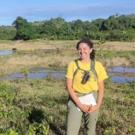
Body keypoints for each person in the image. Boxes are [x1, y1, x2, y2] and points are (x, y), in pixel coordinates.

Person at [66, 38, 108, 135]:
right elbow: (69, 86)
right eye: (79, 49)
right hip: (75, 99)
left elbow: (101, 88)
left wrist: (97, 105)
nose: (82, 51)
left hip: (92, 99)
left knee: (90, 130)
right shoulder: (72, 64)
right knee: (71, 131)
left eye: (85, 48)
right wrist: (79, 104)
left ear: (91, 50)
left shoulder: (97, 65)